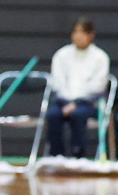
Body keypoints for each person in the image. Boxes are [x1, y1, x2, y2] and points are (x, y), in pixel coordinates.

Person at [44, 17, 110, 158]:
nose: (78, 36)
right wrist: (67, 102)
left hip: (88, 103)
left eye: (83, 32)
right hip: (63, 101)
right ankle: (56, 155)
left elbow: (98, 85)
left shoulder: (100, 57)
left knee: (78, 115)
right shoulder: (62, 55)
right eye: (75, 32)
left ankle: (78, 155)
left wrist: (77, 103)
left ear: (91, 35)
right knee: (53, 115)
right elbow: (58, 81)